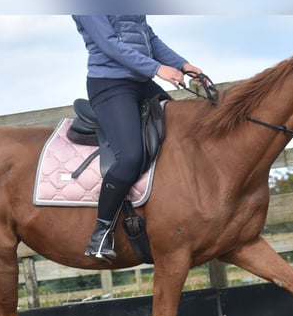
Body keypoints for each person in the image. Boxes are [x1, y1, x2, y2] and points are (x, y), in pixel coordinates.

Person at [72, 15, 203, 262]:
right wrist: (157, 68)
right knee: (130, 157)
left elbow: (149, 37)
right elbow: (109, 44)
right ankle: (101, 234)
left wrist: (183, 64)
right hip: (110, 85)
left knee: (179, 138)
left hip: (142, 81)